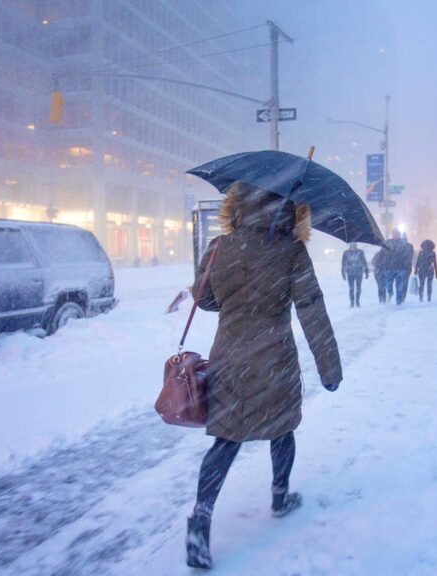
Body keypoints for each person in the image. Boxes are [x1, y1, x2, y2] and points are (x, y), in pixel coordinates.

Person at [186, 183, 342, 570]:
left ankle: (201, 519)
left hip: (229, 356)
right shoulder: (291, 250)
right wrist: (329, 368)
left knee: (225, 439)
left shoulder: (221, 246)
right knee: (282, 428)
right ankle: (279, 495)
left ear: (238, 205)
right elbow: (311, 308)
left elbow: (203, 299)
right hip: (274, 357)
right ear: (289, 209)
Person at [384, 229, 413, 305]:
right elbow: (383, 254)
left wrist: (405, 264)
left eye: (396, 234)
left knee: (399, 285)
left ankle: (399, 301)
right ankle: (390, 293)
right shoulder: (388, 243)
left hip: (400, 267)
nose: (395, 235)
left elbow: (408, 256)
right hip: (390, 267)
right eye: (394, 234)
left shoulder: (404, 244)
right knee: (388, 284)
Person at [341, 242, 369, 307]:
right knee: (351, 288)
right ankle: (352, 302)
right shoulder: (346, 253)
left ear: (356, 246)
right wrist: (343, 272)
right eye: (351, 246)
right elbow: (343, 264)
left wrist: (366, 271)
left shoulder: (360, 252)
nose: (352, 247)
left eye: (354, 246)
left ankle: (357, 301)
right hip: (350, 273)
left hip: (359, 272)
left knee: (358, 287)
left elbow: (364, 262)